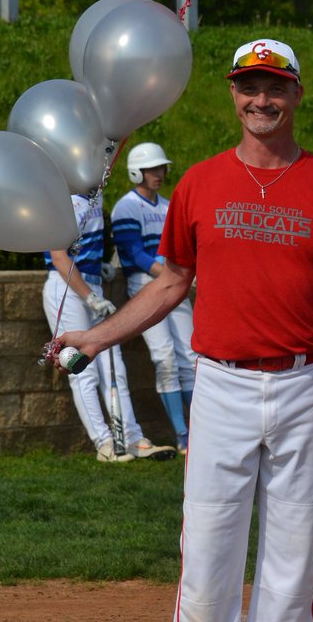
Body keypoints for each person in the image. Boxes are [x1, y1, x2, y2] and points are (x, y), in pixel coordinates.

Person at [57, 38, 313, 621]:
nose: (262, 99)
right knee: (207, 553)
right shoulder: (200, 184)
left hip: (305, 384)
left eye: (275, 87)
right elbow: (169, 283)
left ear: (297, 95)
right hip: (221, 384)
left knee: (291, 560)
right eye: (250, 87)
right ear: (233, 95)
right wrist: (96, 337)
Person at [43, 192, 175, 462]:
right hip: (67, 287)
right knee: (81, 368)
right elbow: (59, 256)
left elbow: (82, 245)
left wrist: (97, 268)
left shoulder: (96, 193)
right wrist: (88, 295)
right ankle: (105, 444)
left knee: (115, 364)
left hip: (89, 283)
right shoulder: (60, 197)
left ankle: (132, 438)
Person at [111, 142, 197, 453]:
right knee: (164, 357)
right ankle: (182, 434)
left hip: (172, 282)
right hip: (144, 285)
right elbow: (132, 252)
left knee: (191, 356)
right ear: (137, 171)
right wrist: (171, 275)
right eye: (152, 169)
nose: (158, 174)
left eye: (161, 168)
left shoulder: (168, 205)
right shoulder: (126, 207)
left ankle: (200, 431)